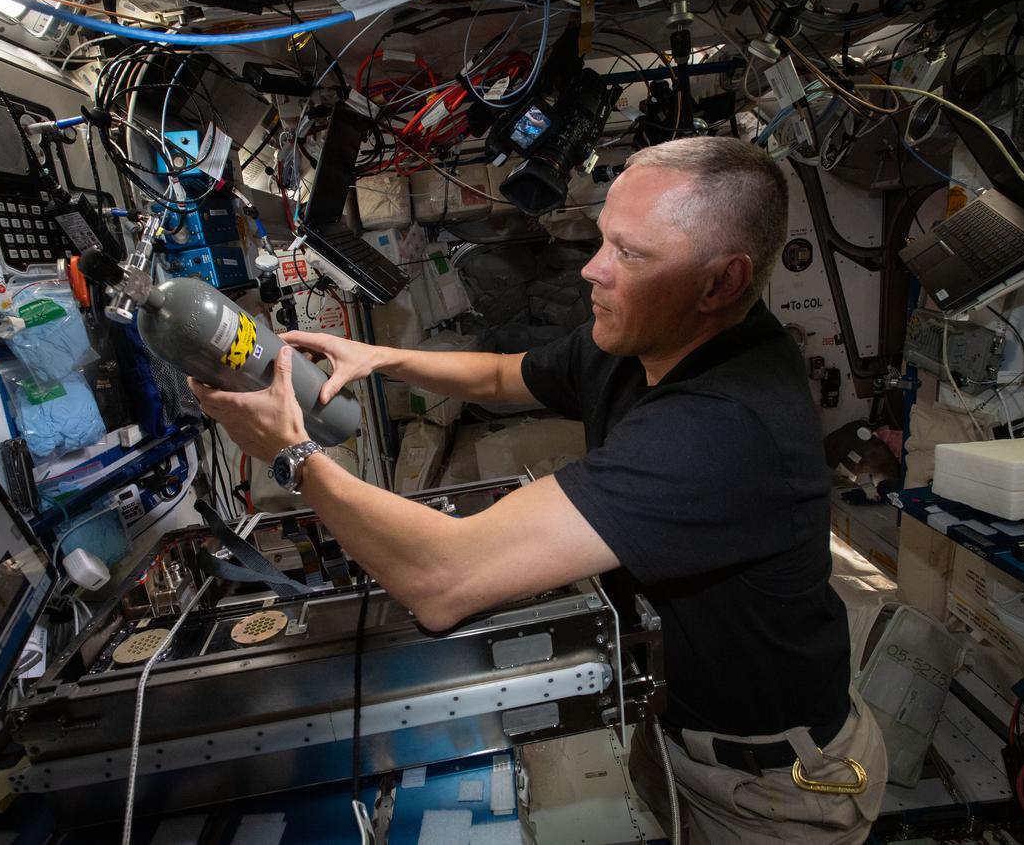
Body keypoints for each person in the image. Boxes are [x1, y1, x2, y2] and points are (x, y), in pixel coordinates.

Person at [189, 137, 887, 843]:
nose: (592, 268)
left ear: (720, 283)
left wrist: (291, 455)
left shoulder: (724, 426)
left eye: (631, 254)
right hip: (684, 734)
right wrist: (382, 359)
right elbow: (504, 375)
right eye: (602, 240)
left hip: (769, 792)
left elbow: (442, 579)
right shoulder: (649, 335)